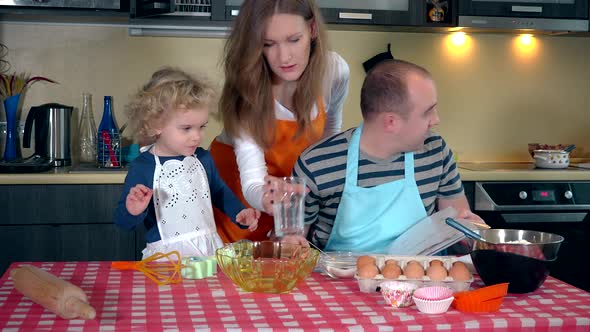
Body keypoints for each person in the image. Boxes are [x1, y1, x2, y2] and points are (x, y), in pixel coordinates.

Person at [291, 59, 484, 252]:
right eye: (428, 112)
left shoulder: (436, 153)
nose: (436, 120)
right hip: (341, 280)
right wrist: (289, 242)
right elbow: (292, 247)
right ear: (391, 122)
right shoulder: (316, 165)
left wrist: (472, 229)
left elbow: (459, 226)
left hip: (425, 281)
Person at [209, 0, 350, 243]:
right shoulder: (249, 89)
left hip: (289, 201)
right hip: (237, 205)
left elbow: (328, 145)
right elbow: (253, 180)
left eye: (294, 39)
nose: (284, 57)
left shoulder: (334, 72)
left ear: (312, 30)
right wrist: (266, 198)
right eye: (268, 44)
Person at [114, 67, 260, 259]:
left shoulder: (203, 159)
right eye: (186, 128)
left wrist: (240, 213)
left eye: (202, 127)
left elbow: (219, 192)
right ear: (155, 124)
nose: (197, 137)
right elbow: (123, 223)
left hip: (209, 252)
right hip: (167, 260)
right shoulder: (143, 167)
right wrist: (133, 210)